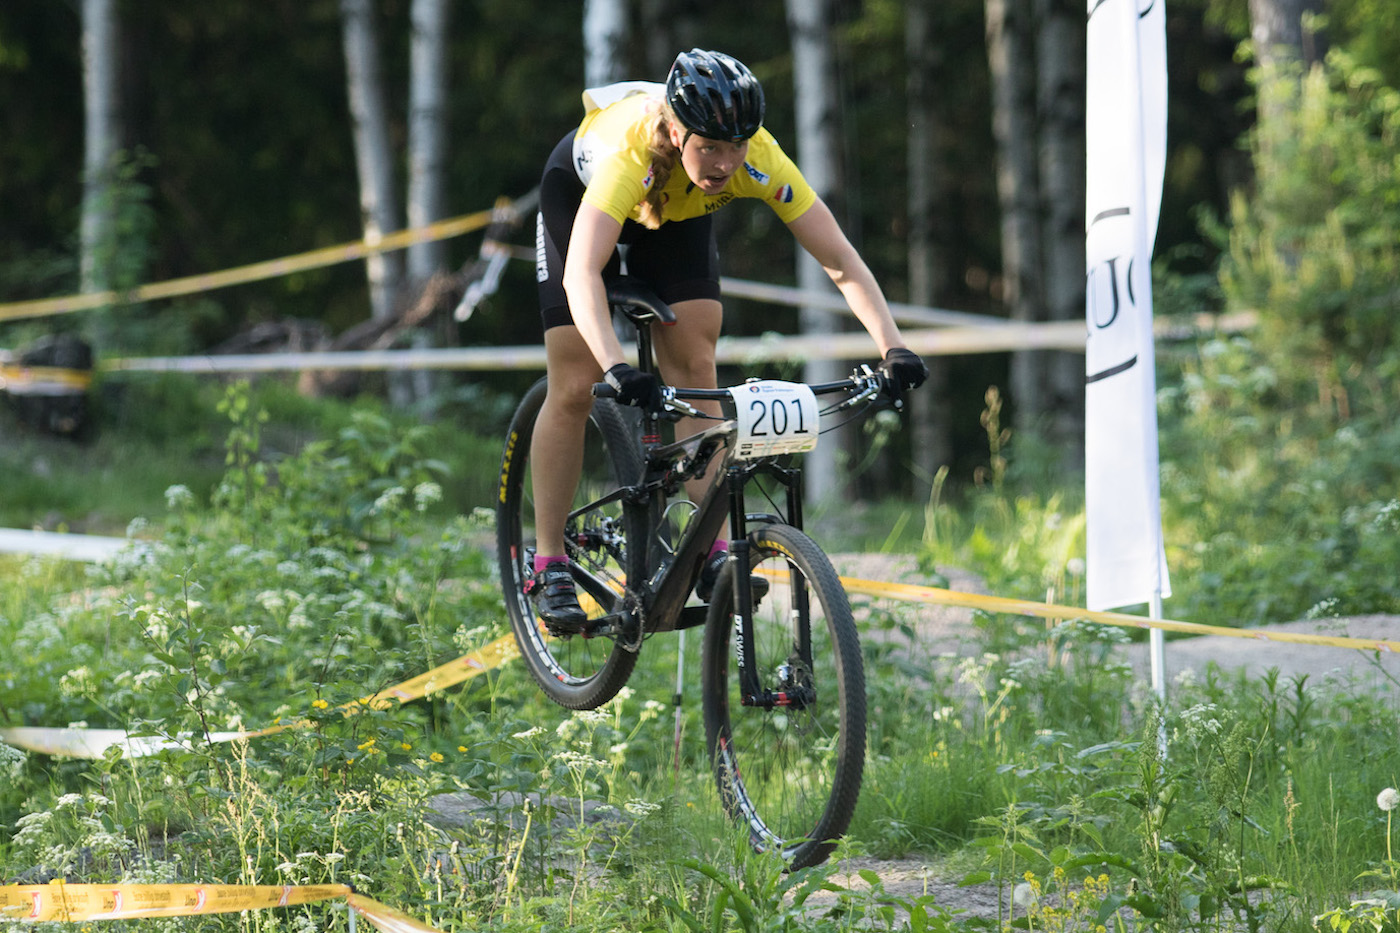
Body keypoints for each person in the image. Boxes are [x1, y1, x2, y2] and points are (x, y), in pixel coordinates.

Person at [528, 48, 928, 629]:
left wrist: (893, 347)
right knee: (575, 383)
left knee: (696, 366)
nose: (725, 162)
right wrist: (615, 367)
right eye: (711, 147)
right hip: (581, 193)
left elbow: (840, 259)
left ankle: (709, 548)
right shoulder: (631, 153)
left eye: (735, 146)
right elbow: (581, 274)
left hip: (676, 210)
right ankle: (548, 561)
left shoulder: (758, 157)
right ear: (676, 132)